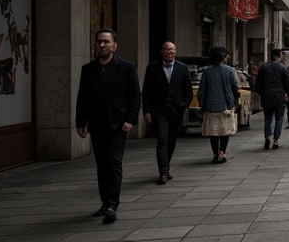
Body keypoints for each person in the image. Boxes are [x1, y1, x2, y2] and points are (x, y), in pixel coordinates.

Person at [74, 28, 141, 224]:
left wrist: (130, 119)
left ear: (114, 45)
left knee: (114, 162)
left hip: (119, 125)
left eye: (105, 42)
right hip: (96, 124)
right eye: (98, 42)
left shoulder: (126, 68)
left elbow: (135, 95)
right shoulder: (88, 69)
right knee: (101, 165)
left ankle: (112, 204)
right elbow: (82, 97)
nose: (101, 45)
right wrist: (80, 122)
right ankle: (105, 202)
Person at [141, 41, 189, 185]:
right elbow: (147, 91)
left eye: (173, 50)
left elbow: (187, 91)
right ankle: (162, 171)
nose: (170, 52)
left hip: (176, 111)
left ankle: (166, 166)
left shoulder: (182, 68)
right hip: (159, 111)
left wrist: (182, 105)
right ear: (161, 52)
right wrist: (147, 110)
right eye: (167, 50)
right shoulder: (152, 68)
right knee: (162, 139)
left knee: (171, 140)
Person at [197, 46, 238, 164]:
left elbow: (202, 90)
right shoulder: (229, 70)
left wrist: (202, 105)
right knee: (225, 131)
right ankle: (222, 152)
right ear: (223, 57)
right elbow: (234, 87)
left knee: (213, 133)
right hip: (225, 105)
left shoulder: (207, 71)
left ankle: (215, 153)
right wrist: (234, 101)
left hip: (210, 107)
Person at [257, 49, 289, 149]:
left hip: (267, 96)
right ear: (279, 56)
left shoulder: (263, 66)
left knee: (268, 119)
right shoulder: (282, 67)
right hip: (279, 96)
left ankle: (268, 137)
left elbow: (259, 83)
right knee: (279, 119)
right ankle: (276, 139)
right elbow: (288, 83)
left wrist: (262, 94)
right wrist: (286, 93)